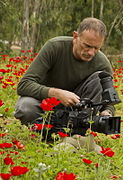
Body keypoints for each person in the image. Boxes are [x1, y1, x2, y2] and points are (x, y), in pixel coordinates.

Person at [14, 17, 116, 153]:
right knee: (25, 107)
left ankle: (75, 135)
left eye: (96, 48)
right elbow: (24, 85)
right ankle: (48, 134)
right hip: (46, 106)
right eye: (87, 46)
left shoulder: (102, 63)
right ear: (75, 36)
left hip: (77, 113)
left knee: (100, 76)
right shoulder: (55, 47)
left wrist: (107, 112)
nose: (91, 52)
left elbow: (109, 101)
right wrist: (56, 93)